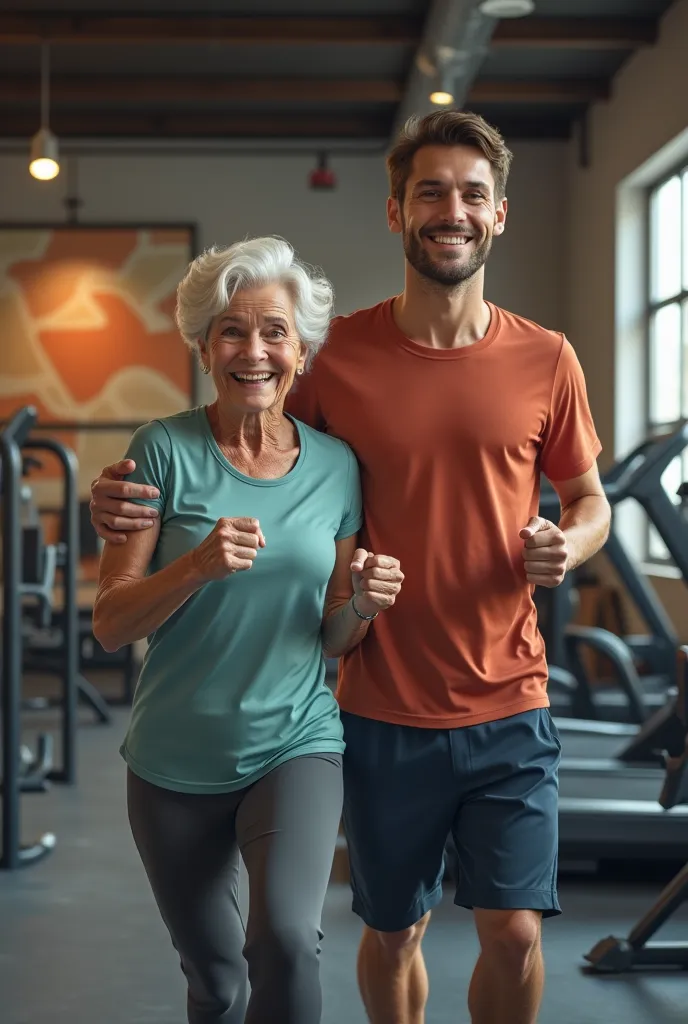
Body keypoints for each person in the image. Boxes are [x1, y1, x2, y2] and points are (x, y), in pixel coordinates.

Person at [90, 111, 611, 1024]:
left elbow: (591, 500)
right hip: (375, 700)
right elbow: (247, 445)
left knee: (516, 933)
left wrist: (570, 542)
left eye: (472, 194)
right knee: (393, 929)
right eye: (431, 192)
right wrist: (125, 503)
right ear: (396, 211)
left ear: (499, 216)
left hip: (511, 695)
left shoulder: (547, 358)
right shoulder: (337, 360)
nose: (452, 209)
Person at [91, 236, 404, 1024]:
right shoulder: (161, 451)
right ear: (203, 346)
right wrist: (193, 566)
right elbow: (109, 623)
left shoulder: (337, 467)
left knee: (290, 939)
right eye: (232, 330)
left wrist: (365, 602)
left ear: (302, 349)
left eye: (274, 331)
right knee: (218, 980)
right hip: (173, 758)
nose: (254, 351)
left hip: (294, 742)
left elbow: (333, 637)